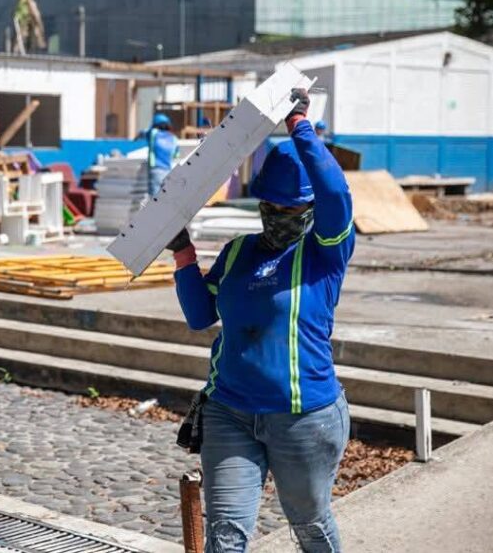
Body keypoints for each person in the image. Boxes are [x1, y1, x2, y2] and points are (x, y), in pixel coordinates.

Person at [167, 88, 354, 553]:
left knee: (309, 524)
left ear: (310, 211)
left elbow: (335, 192)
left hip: (304, 418)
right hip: (230, 410)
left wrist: (298, 125)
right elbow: (199, 315)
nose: (280, 217)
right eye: (271, 207)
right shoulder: (238, 253)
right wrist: (183, 252)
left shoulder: (324, 254)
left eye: (292, 210)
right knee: (225, 534)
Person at [139, 112, 179, 195]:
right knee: (165, 197)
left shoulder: (153, 133)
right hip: (168, 171)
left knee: (154, 199)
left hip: (156, 170)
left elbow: (145, 133)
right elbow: (176, 155)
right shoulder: (173, 138)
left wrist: (139, 134)